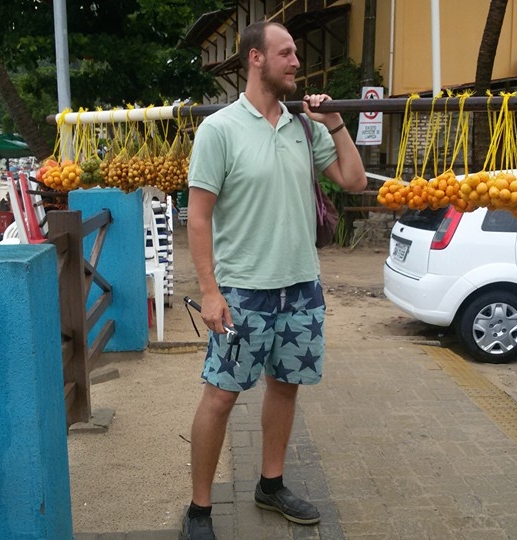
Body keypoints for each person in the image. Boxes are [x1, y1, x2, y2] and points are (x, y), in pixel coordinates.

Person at [181, 21, 366, 540]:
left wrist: (334, 123)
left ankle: (271, 482)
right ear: (256, 58)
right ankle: (199, 510)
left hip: (302, 286)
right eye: (286, 53)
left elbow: (353, 181)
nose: (296, 63)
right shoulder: (219, 129)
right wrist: (211, 292)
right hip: (242, 292)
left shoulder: (305, 128)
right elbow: (198, 218)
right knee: (220, 397)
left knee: (285, 389)